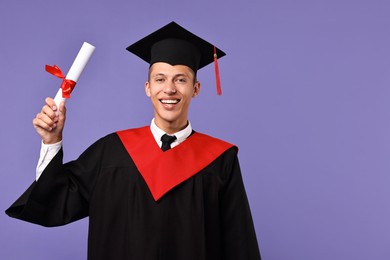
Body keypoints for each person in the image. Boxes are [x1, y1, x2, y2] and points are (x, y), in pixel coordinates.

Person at [6, 21, 261, 260]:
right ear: (148, 87)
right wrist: (52, 140)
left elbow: (239, 244)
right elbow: (53, 200)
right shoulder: (111, 151)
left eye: (180, 80)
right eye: (160, 79)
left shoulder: (220, 160)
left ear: (195, 89)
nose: (169, 89)